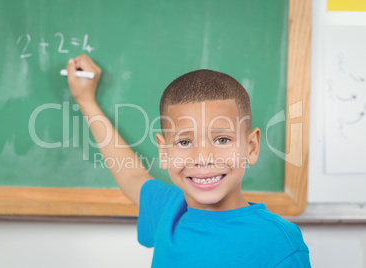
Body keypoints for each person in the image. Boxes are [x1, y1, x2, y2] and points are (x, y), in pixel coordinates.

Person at [66, 54, 311, 267]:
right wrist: (86, 101)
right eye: (184, 143)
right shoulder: (169, 210)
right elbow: (130, 175)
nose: (203, 158)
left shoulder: (278, 241)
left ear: (251, 147)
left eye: (222, 140)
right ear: (164, 152)